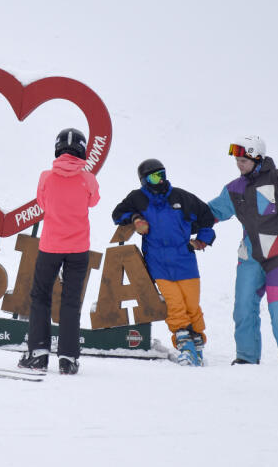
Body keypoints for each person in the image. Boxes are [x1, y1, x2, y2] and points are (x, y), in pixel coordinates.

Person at [208, 135, 278, 369]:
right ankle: (246, 356)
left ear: (257, 158)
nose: (239, 164)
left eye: (243, 160)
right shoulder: (234, 189)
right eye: (237, 160)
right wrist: (183, 214)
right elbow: (211, 212)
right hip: (250, 257)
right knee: (243, 307)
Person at [112, 159, 216, 366]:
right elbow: (117, 214)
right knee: (174, 305)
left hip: (185, 260)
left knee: (192, 305)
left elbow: (206, 216)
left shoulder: (180, 197)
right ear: (144, 180)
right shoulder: (138, 198)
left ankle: (197, 344)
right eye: (154, 177)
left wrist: (202, 240)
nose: (160, 180)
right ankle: (184, 344)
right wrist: (135, 219)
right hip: (158, 262)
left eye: (162, 174)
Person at [18, 128, 100, 375]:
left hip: (51, 246)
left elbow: (42, 203)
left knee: (40, 297)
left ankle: (38, 354)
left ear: (57, 148)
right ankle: (68, 358)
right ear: (82, 149)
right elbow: (93, 201)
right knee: (71, 302)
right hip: (78, 248)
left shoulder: (46, 177)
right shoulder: (88, 179)